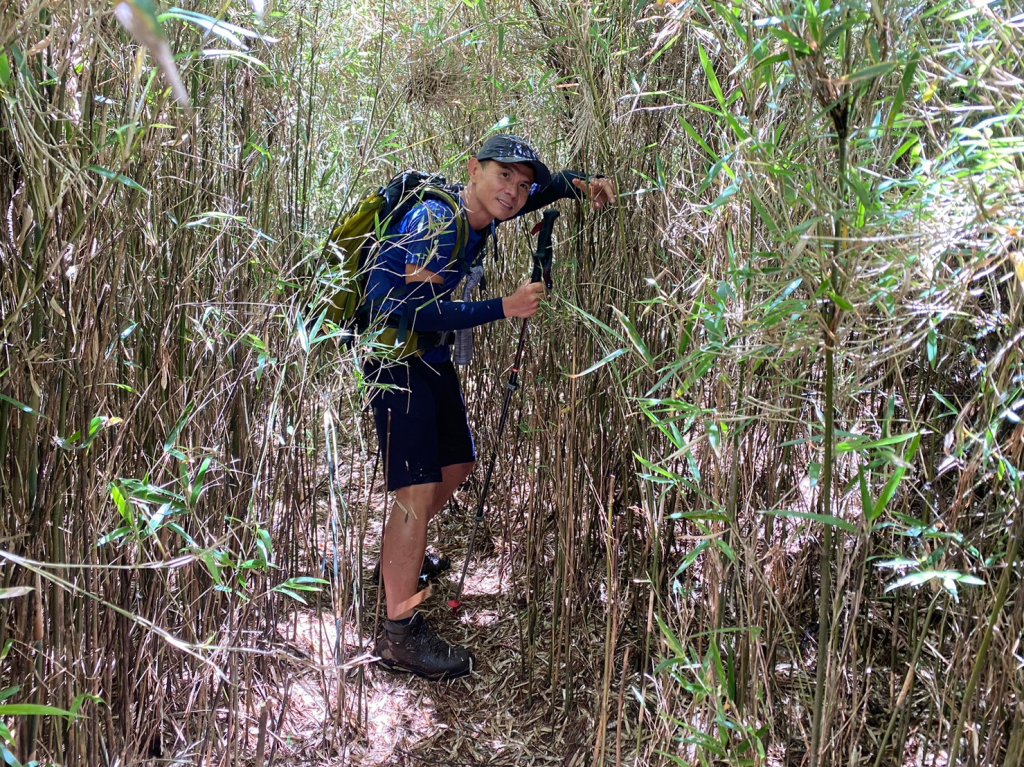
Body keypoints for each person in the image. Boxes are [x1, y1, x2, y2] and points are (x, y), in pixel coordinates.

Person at [363, 134, 615, 680]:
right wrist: (503, 306)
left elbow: (540, 192)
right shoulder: (436, 221)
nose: (514, 192)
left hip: (428, 356)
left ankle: (397, 562)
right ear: (473, 169)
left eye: (520, 185)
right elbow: (397, 306)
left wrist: (579, 185)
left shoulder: (484, 214)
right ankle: (398, 635)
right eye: (504, 176)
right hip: (395, 358)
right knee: (415, 493)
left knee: (458, 464)